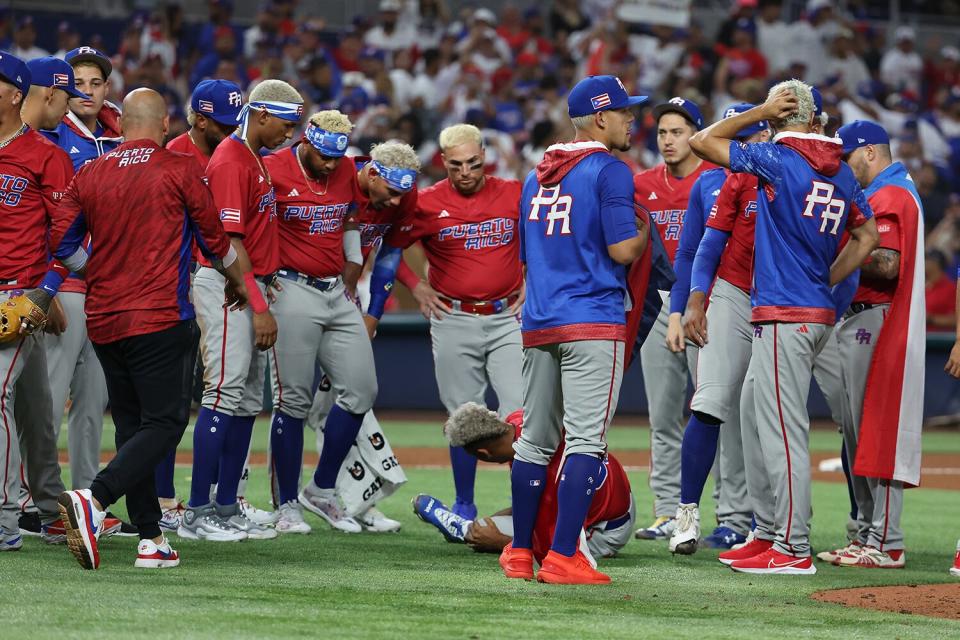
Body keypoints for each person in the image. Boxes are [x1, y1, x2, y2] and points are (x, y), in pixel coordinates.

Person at [50, 88, 248, 570]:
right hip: (159, 315)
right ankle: (94, 500)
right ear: (164, 126)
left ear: (122, 125)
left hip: (104, 318)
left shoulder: (90, 172)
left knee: (133, 427)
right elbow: (215, 239)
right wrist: (238, 282)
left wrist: (94, 268)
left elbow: (62, 242)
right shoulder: (179, 169)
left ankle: (150, 539)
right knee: (165, 423)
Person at [688, 79, 879, 574]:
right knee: (757, 415)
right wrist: (826, 278)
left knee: (781, 430)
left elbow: (701, 141)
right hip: (812, 311)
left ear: (778, 117)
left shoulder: (778, 158)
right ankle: (769, 531)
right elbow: (867, 236)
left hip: (784, 312)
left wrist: (758, 110)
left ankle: (792, 547)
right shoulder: (839, 170)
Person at [501, 75, 648, 585]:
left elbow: (526, 257)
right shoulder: (611, 170)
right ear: (601, 118)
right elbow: (621, 250)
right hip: (592, 318)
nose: (634, 119)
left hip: (540, 320)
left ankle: (520, 553)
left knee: (535, 443)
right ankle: (565, 555)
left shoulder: (533, 176)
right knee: (586, 441)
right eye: (626, 111)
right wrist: (644, 234)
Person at [266, 111, 405, 534]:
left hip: (333, 290)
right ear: (305, 142)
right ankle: (286, 503)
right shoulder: (272, 168)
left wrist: (350, 271)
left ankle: (321, 489)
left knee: (361, 390)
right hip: (289, 286)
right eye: (323, 155)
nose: (330, 164)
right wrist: (261, 278)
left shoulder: (347, 168)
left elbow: (349, 219)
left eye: (336, 156)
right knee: (292, 400)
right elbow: (253, 225)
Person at [179, 79, 302, 542]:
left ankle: (227, 505)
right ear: (263, 115)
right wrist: (256, 300)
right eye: (286, 126)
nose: (289, 135)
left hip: (249, 287)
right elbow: (227, 242)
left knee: (247, 402)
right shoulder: (232, 160)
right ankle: (196, 513)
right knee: (222, 396)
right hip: (229, 286)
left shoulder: (253, 157)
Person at [400, 123, 524, 521]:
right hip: (453, 316)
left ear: (484, 156)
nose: (466, 172)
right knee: (462, 414)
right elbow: (387, 244)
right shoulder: (425, 202)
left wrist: (534, 280)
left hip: (507, 315)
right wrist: (414, 286)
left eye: (473, 162)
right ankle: (464, 504)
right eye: (456, 165)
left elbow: (545, 236)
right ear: (443, 163)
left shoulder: (514, 193)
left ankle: (526, 503)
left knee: (520, 413)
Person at [816, 121, 925, 569]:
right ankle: (866, 534)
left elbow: (886, 262)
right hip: (865, 319)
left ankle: (885, 541)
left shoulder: (890, 194)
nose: (844, 165)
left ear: (870, 153)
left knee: (876, 429)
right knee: (860, 432)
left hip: (875, 320)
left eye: (847, 157)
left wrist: (837, 245)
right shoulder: (889, 190)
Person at [667, 103, 771, 555]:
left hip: (780, 298)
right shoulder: (714, 181)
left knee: (767, 414)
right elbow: (697, 247)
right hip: (730, 292)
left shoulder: (789, 171)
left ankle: (768, 525)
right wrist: (692, 301)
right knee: (708, 402)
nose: (740, 145)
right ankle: (686, 513)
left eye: (747, 134)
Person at [40, 45, 126, 533]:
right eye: (79, 82)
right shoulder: (52, 136)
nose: (87, 92)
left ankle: (87, 503)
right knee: (50, 400)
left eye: (96, 83)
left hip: (106, 286)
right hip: (66, 280)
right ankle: (44, 504)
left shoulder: (113, 136)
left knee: (93, 401)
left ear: (107, 88)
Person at [154, 78, 243, 532]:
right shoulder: (173, 155)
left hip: (218, 280)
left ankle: (220, 497)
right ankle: (164, 499)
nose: (231, 132)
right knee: (173, 397)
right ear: (200, 118)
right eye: (222, 124)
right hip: (179, 282)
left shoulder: (236, 154)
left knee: (221, 389)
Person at [633, 97, 715, 540]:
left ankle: (729, 516)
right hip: (659, 302)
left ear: (697, 135)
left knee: (711, 410)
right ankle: (666, 511)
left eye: (677, 131)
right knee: (662, 416)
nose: (668, 140)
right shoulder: (642, 183)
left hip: (706, 302)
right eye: (662, 132)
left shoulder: (715, 180)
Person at [0, 51, 71, 552]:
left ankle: (4, 519)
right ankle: (49, 510)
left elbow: (70, 237)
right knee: (34, 411)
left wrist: (45, 292)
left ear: (14, 94)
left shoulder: (46, 155)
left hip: (16, 296)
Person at [413, 403, 635, 563]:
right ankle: (471, 527)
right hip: (614, 494)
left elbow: (552, 545)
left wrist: (501, 542)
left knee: (486, 532)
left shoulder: (545, 474)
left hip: (607, 530)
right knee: (508, 518)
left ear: (483, 453)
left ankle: (462, 528)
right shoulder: (518, 420)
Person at [165, 78, 243, 169]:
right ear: (201, 120)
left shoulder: (240, 150)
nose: (235, 131)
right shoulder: (174, 154)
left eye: (237, 123)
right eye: (227, 126)